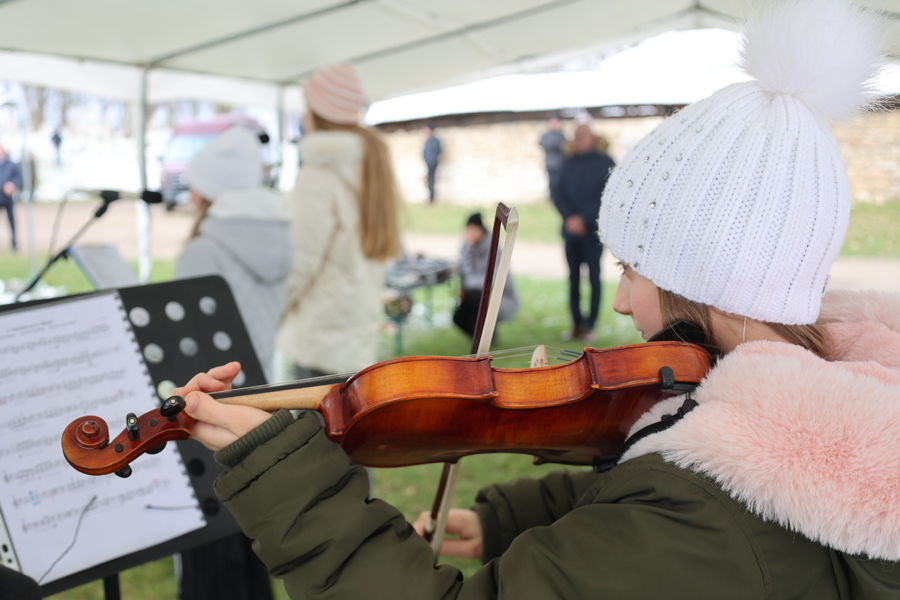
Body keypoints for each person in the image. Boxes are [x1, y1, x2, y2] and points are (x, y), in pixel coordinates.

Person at [173, 2, 899, 598]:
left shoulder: (703, 510)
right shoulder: (837, 414)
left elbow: (663, 514)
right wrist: (505, 519)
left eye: (632, 269)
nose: (618, 301)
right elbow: (633, 496)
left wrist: (285, 480)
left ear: (708, 284)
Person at [174, 125, 290, 600]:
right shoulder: (283, 237)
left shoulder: (204, 249)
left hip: (213, 397)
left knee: (210, 554)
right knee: (248, 537)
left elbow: (185, 343)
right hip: (264, 397)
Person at [277, 63, 401, 380]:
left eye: (308, 109)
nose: (304, 118)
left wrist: (274, 310)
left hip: (321, 334)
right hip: (357, 329)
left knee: (310, 430)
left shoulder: (319, 171)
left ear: (318, 113)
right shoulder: (372, 164)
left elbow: (300, 261)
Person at [175, 125, 292, 383]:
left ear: (205, 191)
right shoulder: (279, 236)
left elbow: (183, 335)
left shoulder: (202, 251)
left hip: (215, 390)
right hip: (264, 386)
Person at [554, 123, 615, 343]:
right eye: (576, 137)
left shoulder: (606, 163)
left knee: (594, 278)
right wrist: (570, 217)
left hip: (592, 232)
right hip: (571, 232)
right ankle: (576, 324)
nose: (579, 140)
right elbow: (557, 192)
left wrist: (583, 218)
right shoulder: (568, 163)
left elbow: (606, 195)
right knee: (573, 278)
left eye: (583, 136)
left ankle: (591, 326)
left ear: (592, 137)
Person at [452, 212, 519, 339]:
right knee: (459, 317)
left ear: (481, 230)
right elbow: (463, 270)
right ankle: (480, 340)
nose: (470, 234)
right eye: (468, 230)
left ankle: (487, 338)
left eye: (473, 230)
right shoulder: (466, 248)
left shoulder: (493, 248)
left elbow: (494, 279)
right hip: (475, 295)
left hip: (498, 297)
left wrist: (468, 285)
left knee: (474, 298)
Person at [0, 142, 23, 252]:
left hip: (8, 198)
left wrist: (12, 185)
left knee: (11, 221)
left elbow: (19, 177)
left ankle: (14, 243)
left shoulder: (11, 165)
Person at [538, 115, 565, 202]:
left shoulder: (561, 135)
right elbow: (543, 144)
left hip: (560, 163)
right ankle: (552, 198)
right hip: (550, 163)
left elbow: (565, 146)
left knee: (560, 182)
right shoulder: (546, 135)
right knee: (552, 182)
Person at [422, 125, 442, 203]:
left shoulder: (436, 141)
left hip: (433, 164)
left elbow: (439, 151)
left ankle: (432, 198)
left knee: (432, 181)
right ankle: (429, 198)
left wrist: (434, 160)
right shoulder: (427, 141)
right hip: (428, 163)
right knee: (428, 181)